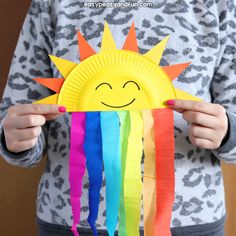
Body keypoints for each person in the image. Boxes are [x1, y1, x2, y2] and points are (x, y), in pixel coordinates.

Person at [0, 0, 236, 235]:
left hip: (191, 222)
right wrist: (17, 141)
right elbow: (14, 116)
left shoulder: (217, 4)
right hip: (70, 220)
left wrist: (227, 133)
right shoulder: (52, 3)